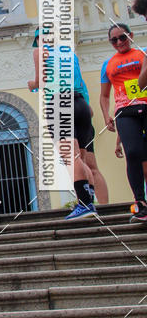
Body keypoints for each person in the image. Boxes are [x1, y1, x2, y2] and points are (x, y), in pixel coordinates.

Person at [28, 28, 97, 219]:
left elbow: (40, 81)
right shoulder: (70, 53)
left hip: (59, 103)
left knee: (70, 157)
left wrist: (32, 85)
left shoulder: (40, 51)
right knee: (81, 158)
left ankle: (84, 204)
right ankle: (90, 200)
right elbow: (81, 83)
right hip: (80, 104)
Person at [100, 23, 147, 221]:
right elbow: (104, 96)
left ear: (131, 36)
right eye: (114, 40)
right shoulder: (107, 64)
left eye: (123, 37)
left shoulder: (143, 54)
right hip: (125, 112)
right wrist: (106, 116)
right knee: (134, 153)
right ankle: (140, 202)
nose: (119, 42)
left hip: (146, 105)